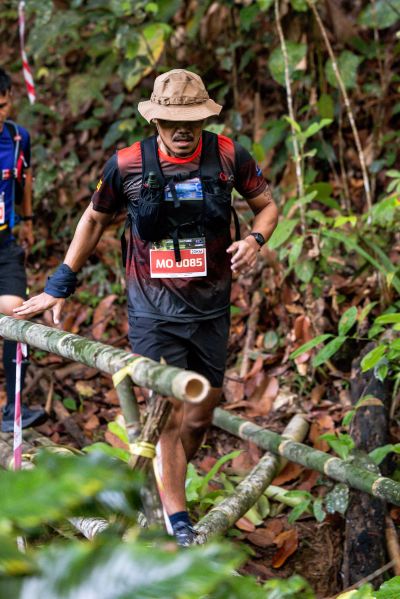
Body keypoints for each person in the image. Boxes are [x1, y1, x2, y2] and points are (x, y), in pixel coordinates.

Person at [14, 69, 278, 544]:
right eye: (172, 121)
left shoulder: (228, 155)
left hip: (211, 306)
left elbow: (267, 206)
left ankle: (165, 484)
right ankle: (179, 525)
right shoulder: (127, 164)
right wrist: (59, 284)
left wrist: (255, 240)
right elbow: (93, 220)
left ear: (205, 119)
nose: (182, 131)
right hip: (152, 309)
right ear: (154, 119)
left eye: (192, 122)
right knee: (167, 413)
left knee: (199, 416)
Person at [0, 67, 46, 432]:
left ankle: (13, 409)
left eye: (2, 106)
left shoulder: (17, 138)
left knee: (17, 315)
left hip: (5, 244)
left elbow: (25, 178)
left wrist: (27, 219)